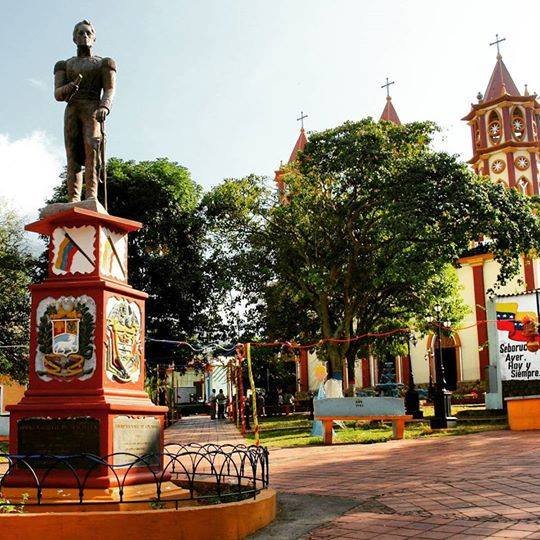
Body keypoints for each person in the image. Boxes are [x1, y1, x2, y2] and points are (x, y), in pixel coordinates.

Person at [54, 20, 116, 203]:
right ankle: (73, 198)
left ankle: (91, 196)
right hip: (72, 108)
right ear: (74, 38)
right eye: (80, 33)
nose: (84, 36)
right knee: (72, 153)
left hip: (92, 107)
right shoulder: (65, 65)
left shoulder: (103, 63)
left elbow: (110, 89)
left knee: (92, 150)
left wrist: (105, 106)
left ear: (94, 37)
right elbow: (57, 94)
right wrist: (70, 87)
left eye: (88, 33)